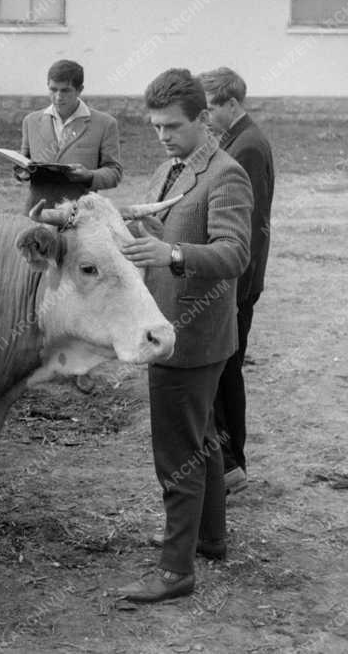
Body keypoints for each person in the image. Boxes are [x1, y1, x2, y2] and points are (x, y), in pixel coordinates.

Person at [116, 68, 252, 602]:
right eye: (155, 127)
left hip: (190, 337)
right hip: (182, 328)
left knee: (177, 456)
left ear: (204, 119)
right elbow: (164, 228)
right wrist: (145, 233)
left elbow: (234, 253)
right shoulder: (171, 169)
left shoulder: (226, 174)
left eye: (172, 126)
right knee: (204, 441)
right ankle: (209, 540)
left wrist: (170, 254)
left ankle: (175, 572)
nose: (163, 135)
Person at [199, 67, 274, 495]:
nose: (205, 116)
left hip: (237, 282)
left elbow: (246, 225)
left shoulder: (246, 147)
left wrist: (232, 286)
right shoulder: (238, 139)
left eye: (210, 107)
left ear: (232, 103)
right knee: (225, 371)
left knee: (225, 372)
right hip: (237, 280)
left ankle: (230, 466)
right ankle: (229, 466)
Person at [18, 59, 123, 210]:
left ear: (80, 90)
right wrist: (21, 172)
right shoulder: (30, 121)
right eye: (53, 90)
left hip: (81, 217)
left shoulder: (105, 124)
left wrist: (90, 176)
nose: (58, 97)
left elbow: (114, 172)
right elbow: (24, 163)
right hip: (37, 213)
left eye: (65, 90)